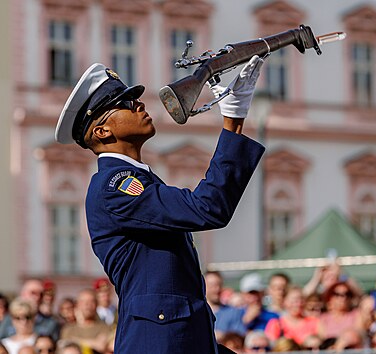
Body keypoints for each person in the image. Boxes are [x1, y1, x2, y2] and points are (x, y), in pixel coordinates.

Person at [53, 55, 266, 354]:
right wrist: (232, 122)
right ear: (102, 131)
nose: (139, 104)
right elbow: (208, 207)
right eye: (126, 103)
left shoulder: (140, 180)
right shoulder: (115, 186)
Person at [59, 289, 111, 354]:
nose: (87, 305)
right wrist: (93, 342)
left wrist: (75, 340)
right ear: (77, 304)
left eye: (91, 301)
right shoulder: (68, 330)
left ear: (96, 304)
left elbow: (101, 346)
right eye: (83, 302)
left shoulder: (104, 328)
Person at [205, 271, 246, 338]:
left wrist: (222, 336)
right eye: (212, 286)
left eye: (219, 285)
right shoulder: (198, 313)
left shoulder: (233, 312)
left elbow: (239, 336)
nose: (217, 289)